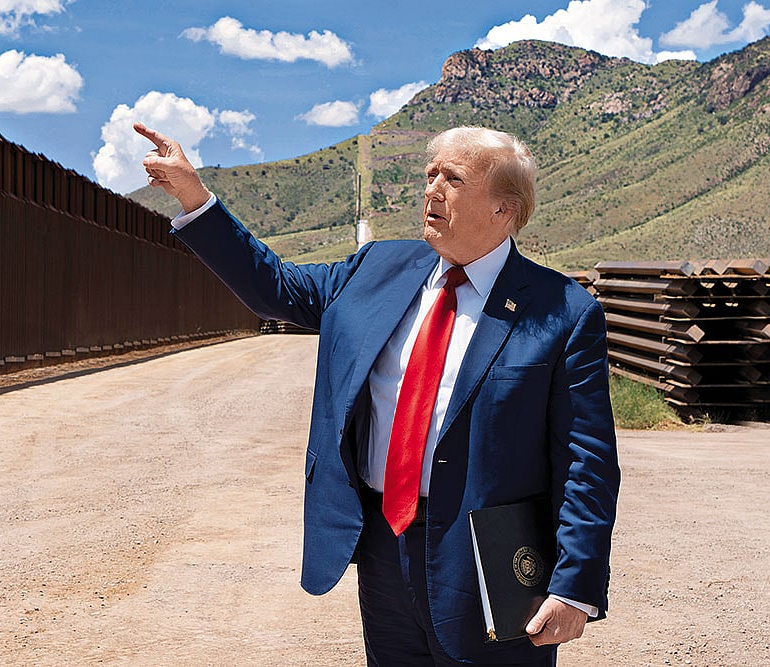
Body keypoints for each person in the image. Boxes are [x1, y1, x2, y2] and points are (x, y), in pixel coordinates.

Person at [134, 121, 620, 666]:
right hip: (384, 544)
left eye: (453, 179)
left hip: (489, 559)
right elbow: (274, 288)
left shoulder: (563, 312)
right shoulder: (377, 267)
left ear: (503, 210)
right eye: (430, 174)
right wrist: (193, 196)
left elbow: (588, 462)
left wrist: (573, 584)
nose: (431, 189)